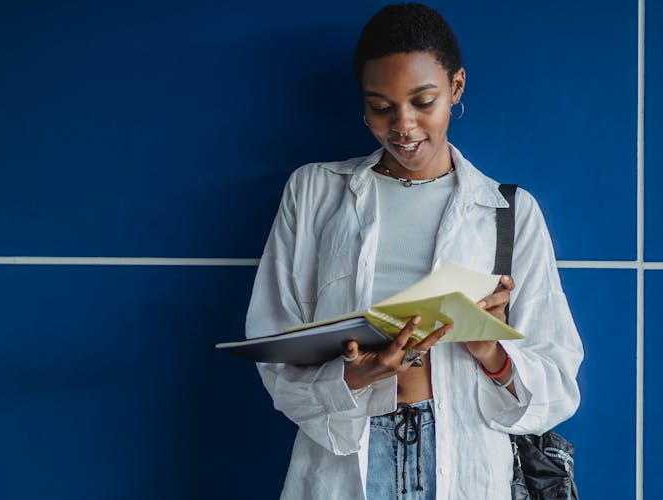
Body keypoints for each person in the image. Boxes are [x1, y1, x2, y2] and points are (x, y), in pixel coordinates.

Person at [245, 3, 583, 499]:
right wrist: (354, 376)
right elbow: (275, 351)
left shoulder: (508, 212)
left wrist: (490, 348)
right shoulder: (315, 193)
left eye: (424, 101)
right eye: (381, 106)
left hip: (464, 458)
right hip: (346, 455)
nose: (403, 126)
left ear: (456, 88)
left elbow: (556, 381)